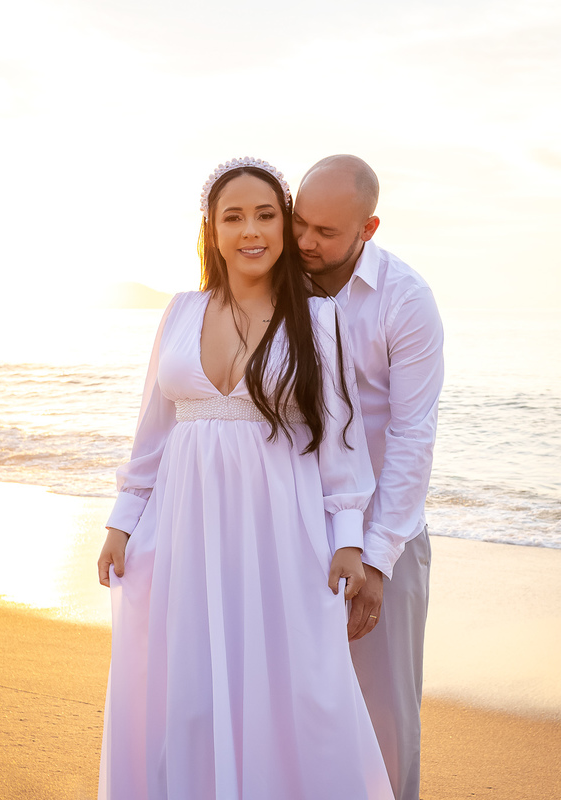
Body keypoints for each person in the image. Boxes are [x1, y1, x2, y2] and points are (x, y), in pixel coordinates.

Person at [95, 157, 394, 799]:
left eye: (265, 215)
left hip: (279, 534)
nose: (250, 230)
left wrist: (350, 539)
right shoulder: (179, 312)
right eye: (233, 217)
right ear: (212, 231)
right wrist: (122, 522)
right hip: (184, 531)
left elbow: (341, 443)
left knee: (293, 689)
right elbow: (151, 433)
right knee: (188, 690)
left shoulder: (316, 320)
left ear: (285, 229)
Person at [293, 155, 445, 800]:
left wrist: (378, 562)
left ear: (368, 227)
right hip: (293, 528)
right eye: (300, 222)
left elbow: (413, 439)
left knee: (384, 718)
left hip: (386, 536)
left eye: (326, 232)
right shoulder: (278, 284)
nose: (305, 242)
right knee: (296, 710)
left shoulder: (405, 301)